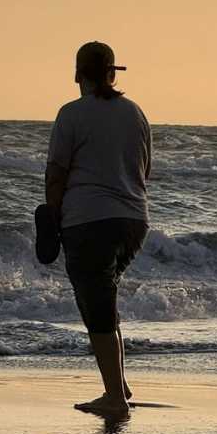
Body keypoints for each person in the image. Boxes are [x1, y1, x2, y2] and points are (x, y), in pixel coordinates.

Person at [45, 41, 151, 414]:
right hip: (134, 220)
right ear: (112, 73)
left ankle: (115, 398)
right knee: (104, 297)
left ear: (78, 75)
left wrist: (52, 218)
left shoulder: (71, 114)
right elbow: (145, 169)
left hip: (89, 220)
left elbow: (57, 172)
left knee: (97, 303)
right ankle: (118, 385)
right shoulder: (135, 113)